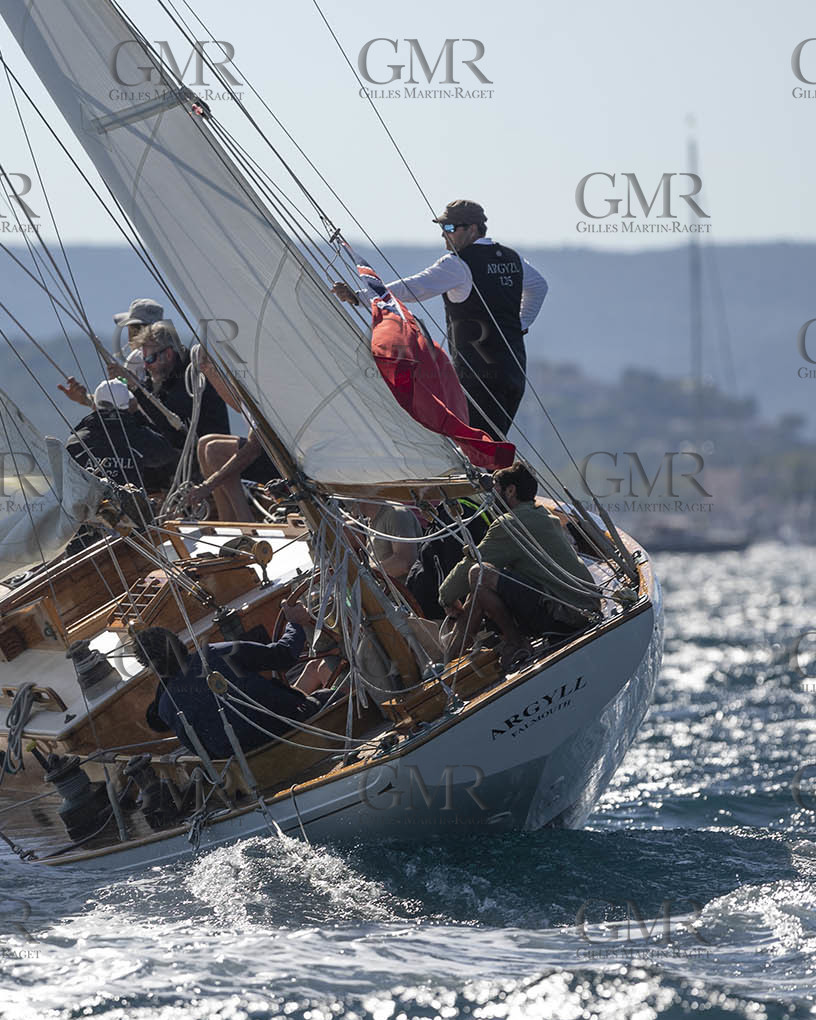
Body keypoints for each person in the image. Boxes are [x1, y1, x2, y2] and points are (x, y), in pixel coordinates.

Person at [332, 199, 547, 438]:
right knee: (490, 446)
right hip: (513, 373)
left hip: (477, 378)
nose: (444, 236)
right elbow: (539, 286)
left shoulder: (459, 263)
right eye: (443, 229)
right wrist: (521, 324)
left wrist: (358, 297)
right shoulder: (511, 259)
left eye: (451, 229)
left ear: (472, 229)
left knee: (475, 449)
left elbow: (414, 287)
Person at [437, 462, 601, 669]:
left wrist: (446, 596)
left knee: (479, 573)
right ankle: (453, 659)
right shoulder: (543, 515)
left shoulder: (511, 523)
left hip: (566, 615)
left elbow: (472, 562)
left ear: (511, 490)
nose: (490, 495)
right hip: (583, 608)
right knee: (479, 588)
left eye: (495, 487)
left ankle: (515, 642)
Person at [132, 599, 336, 760]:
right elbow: (283, 655)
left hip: (251, 764)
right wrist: (294, 623)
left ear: (149, 668)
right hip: (291, 727)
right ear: (178, 641)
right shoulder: (217, 653)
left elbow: (204, 753)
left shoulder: (166, 707)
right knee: (332, 696)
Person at [59, 318, 229, 447]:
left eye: (150, 358)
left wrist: (134, 386)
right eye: (144, 358)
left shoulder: (191, 378)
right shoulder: (159, 376)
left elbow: (169, 424)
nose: (146, 365)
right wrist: (90, 399)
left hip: (197, 459)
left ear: (169, 355)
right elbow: (141, 415)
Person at [185, 350, 281, 522]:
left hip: (282, 466)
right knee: (204, 442)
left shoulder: (269, 392)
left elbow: (252, 449)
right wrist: (208, 369)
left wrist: (208, 485)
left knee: (215, 450)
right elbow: (240, 405)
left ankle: (245, 521)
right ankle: (226, 518)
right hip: (269, 456)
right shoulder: (257, 387)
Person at [64, 378, 179, 493]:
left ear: (94, 406)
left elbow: (66, 480)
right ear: (129, 406)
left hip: (86, 508)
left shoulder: (76, 441)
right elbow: (167, 454)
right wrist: (137, 415)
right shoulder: (141, 437)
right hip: (130, 507)